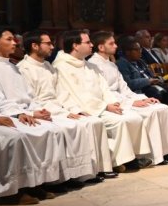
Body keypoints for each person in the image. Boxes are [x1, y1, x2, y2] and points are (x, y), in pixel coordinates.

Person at [0, 27, 100, 184]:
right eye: (9, 39)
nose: (15, 42)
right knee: (53, 129)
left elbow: (28, 96)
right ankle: (42, 181)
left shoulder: (13, 66)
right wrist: (24, 113)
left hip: (32, 110)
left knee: (74, 125)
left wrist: (37, 110)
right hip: (11, 114)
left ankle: (71, 175)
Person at [0, 36, 70, 205]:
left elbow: (1, 99)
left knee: (38, 128)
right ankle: (7, 191)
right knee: (15, 137)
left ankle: (32, 183)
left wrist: (17, 114)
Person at [19, 31, 119, 177]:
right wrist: (60, 112)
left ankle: (96, 169)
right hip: (43, 110)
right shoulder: (23, 68)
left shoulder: (47, 66)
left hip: (58, 107)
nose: (52, 47)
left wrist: (74, 109)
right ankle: (70, 176)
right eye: (48, 43)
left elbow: (62, 93)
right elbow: (30, 99)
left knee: (90, 121)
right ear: (34, 46)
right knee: (82, 124)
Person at [53, 30, 149, 171]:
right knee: (120, 121)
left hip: (102, 106)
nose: (92, 45)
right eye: (87, 42)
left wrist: (111, 102)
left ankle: (128, 157)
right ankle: (124, 161)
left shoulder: (89, 65)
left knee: (134, 117)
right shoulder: (62, 66)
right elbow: (77, 94)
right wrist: (105, 106)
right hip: (87, 108)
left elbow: (104, 87)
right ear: (75, 46)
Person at [90, 31, 168, 165]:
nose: (116, 46)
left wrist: (141, 99)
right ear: (101, 47)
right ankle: (147, 155)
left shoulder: (111, 64)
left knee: (161, 108)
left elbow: (124, 87)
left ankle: (162, 153)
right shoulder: (93, 65)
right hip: (113, 101)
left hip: (124, 97)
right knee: (149, 112)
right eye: (112, 43)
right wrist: (130, 102)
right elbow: (104, 92)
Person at [118, 36, 168, 132]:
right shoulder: (122, 64)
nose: (140, 52)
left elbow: (152, 76)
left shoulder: (140, 61)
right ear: (128, 52)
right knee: (157, 94)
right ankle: (159, 127)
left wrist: (165, 82)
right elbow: (128, 83)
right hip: (140, 90)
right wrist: (148, 81)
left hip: (153, 85)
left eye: (140, 49)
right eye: (137, 50)